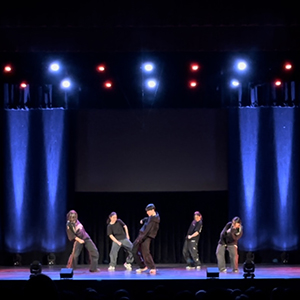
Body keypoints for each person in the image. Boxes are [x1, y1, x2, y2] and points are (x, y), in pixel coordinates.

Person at [132, 203, 160, 275]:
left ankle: (152, 267)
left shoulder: (155, 219)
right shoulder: (152, 217)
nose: (147, 213)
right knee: (133, 250)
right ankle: (142, 266)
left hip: (146, 236)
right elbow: (148, 219)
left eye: (148, 211)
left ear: (152, 210)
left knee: (146, 253)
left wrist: (140, 239)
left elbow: (147, 231)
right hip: (142, 235)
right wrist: (143, 219)